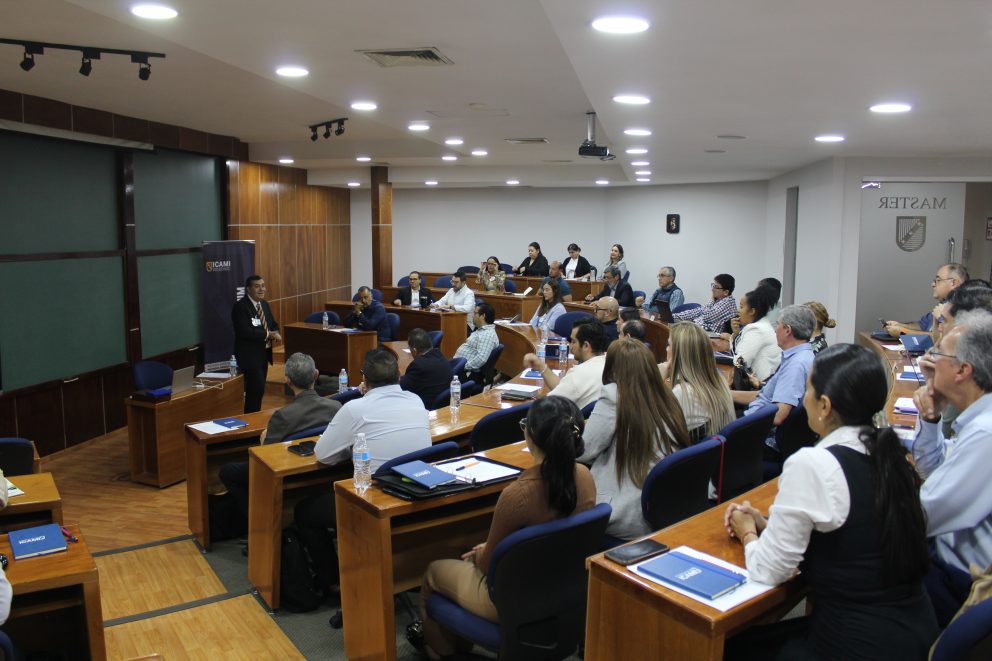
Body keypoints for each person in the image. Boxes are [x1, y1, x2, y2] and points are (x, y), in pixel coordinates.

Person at [723, 343, 937, 659]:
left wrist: (747, 532)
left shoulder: (813, 464)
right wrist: (769, 525)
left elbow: (768, 570)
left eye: (808, 389)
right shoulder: (890, 455)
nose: (803, 399)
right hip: (912, 632)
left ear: (824, 405)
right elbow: (851, 534)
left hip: (855, 644)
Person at [416, 396, 595, 659]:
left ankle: (441, 652)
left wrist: (482, 552)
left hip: (511, 600)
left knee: (433, 572)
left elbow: (488, 566)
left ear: (530, 436)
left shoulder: (518, 495)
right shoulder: (585, 476)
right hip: (566, 593)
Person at [297, 348, 431, 594]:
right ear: (398, 376)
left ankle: (333, 581)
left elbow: (323, 455)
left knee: (304, 511)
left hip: (377, 502)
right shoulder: (416, 400)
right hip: (418, 492)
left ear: (365, 379)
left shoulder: (355, 408)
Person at [911, 310, 992, 626]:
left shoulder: (985, 433)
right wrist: (931, 418)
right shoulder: (978, 420)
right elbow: (932, 471)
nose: (929, 360)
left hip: (955, 580)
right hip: (946, 556)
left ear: (962, 370)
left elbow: (924, 515)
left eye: (938, 353)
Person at [580, 339, 690, 540]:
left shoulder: (614, 396)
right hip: (661, 509)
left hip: (621, 514)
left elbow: (584, 451)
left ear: (613, 369)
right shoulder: (667, 396)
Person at [218, 352, 341, 527]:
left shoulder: (283, 415)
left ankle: (258, 523)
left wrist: (263, 439)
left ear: (288, 380)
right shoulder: (335, 407)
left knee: (228, 471)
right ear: (316, 374)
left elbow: (265, 460)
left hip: (287, 472)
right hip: (324, 470)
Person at [732, 305, 816, 429]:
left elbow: (778, 416)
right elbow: (764, 396)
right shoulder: (801, 356)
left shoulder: (796, 365)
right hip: (753, 417)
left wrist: (737, 426)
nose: (775, 330)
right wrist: (724, 394)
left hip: (754, 429)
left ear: (787, 330)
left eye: (777, 325)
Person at [662, 322, 735, 440]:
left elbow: (657, 436)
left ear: (679, 354)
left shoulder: (683, 393)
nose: (666, 349)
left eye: (668, 345)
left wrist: (660, 381)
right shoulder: (719, 380)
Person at [523, 318, 608, 409]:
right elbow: (564, 388)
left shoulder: (579, 374)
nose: (570, 346)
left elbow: (548, 404)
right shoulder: (610, 362)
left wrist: (533, 397)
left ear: (586, 346)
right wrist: (541, 367)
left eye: (573, 341)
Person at [232, 274, 281, 413]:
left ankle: (254, 416)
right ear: (248, 289)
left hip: (263, 355)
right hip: (249, 356)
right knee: (255, 390)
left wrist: (276, 331)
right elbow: (244, 332)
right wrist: (268, 334)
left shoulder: (264, 304)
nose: (261, 289)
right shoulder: (240, 307)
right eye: (257, 286)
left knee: (259, 390)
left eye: (263, 286)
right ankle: (251, 419)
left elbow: (272, 323)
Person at [885, 262, 968, 337]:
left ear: (954, 283)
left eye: (938, 280)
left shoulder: (961, 310)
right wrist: (899, 325)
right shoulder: (944, 304)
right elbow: (922, 325)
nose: (932, 284)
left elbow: (940, 337)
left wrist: (904, 332)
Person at [724, 286, 780, 382]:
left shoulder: (757, 329)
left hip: (760, 384)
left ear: (752, 311)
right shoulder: (761, 324)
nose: (738, 311)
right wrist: (736, 334)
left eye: (741, 307)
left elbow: (740, 362)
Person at [400, 328, 451, 408]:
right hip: (443, 406)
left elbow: (401, 387)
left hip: (424, 407)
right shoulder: (441, 356)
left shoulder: (418, 365)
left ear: (414, 350)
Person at [672, 273, 738, 333]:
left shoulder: (727, 303)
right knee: (674, 324)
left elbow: (707, 317)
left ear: (726, 292)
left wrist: (711, 300)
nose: (712, 289)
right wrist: (674, 316)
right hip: (700, 329)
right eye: (713, 285)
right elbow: (698, 311)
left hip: (709, 335)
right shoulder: (719, 300)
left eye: (716, 287)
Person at [453, 302, 499, 376]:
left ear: (483, 316)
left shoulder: (487, 334)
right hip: (459, 366)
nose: (473, 316)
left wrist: (462, 367)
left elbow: (481, 359)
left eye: (475, 313)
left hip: (466, 372)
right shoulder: (481, 330)